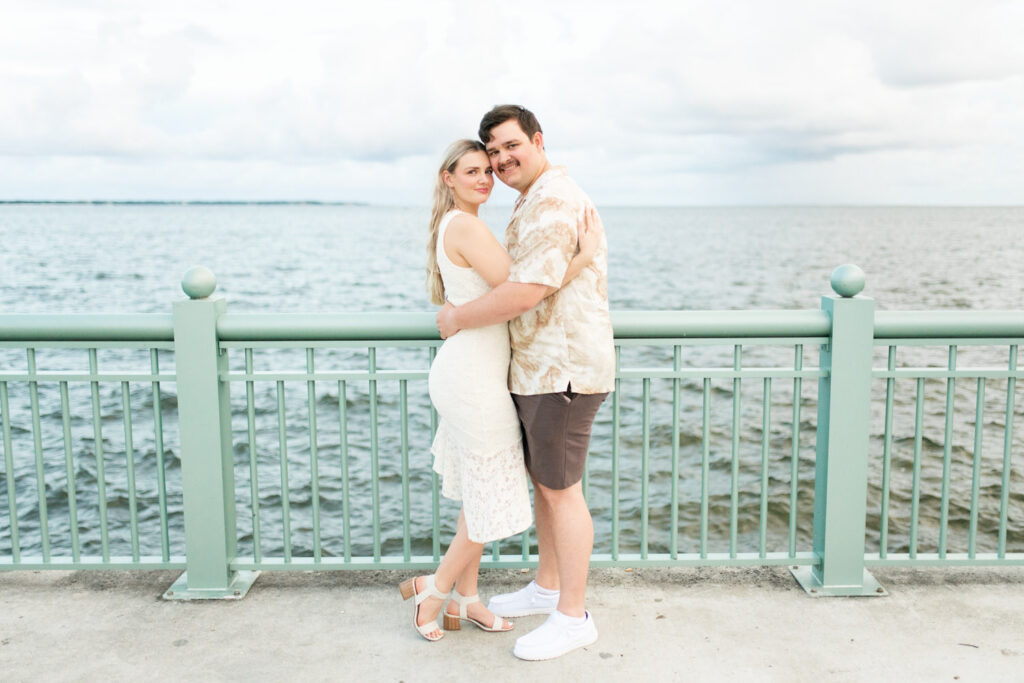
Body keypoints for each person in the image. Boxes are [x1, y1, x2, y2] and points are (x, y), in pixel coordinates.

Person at [400, 138, 603, 642]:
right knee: (491, 492)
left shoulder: (463, 224)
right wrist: (584, 257)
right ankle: (436, 586)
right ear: (448, 178)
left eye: (487, 171)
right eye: (471, 171)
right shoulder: (466, 225)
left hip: (476, 370)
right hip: (472, 375)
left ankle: (466, 601)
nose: (483, 179)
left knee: (478, 491)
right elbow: (523, 290)